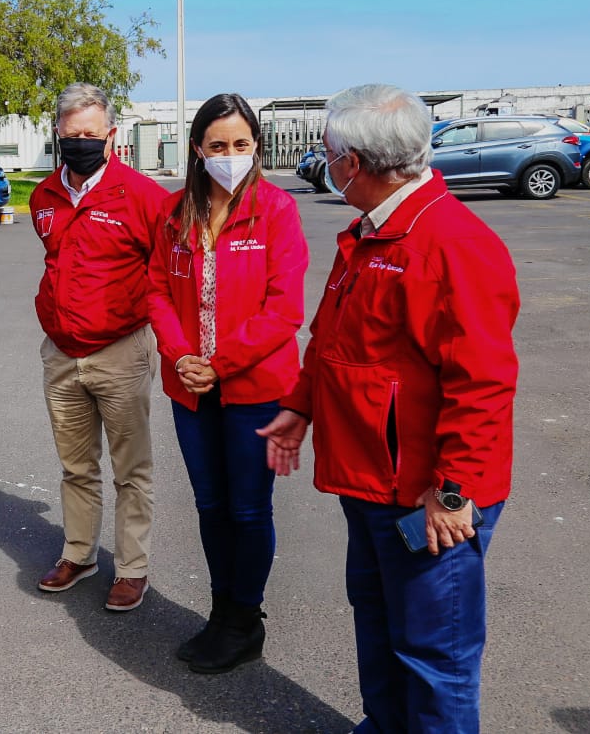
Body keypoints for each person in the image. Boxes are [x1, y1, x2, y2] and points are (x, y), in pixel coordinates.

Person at [259, 83, 520, 732]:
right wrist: (301, 405)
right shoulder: (372, 233)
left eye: (327, 150)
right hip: (372, 484)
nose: (322, 160)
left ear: (351, 163)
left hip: (428, 500)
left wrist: (452, 491)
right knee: (378, 625)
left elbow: (483, 383)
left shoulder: (452, 243)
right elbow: (332, 338)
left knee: (436, 656)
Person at [147, 94, 308, 673]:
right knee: (210, 505)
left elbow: (284, 309)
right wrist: (183, 355)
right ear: (197, 149)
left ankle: (244, 619)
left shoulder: (277, 211)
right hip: (191, 389)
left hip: (256, 388)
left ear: (257, 148)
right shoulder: (174, 213)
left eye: (241, 145)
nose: (230, 155)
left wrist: (222, 362)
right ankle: (221, 611)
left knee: (248, 509)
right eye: (218, 145)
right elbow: (158, 292)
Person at [30, 82, 169, 612]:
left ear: (111, 135)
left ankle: (132, 568)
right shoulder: (44, 196)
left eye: (92, 134)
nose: (81, 142)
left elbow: (166, 272)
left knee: (131, 469)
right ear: (59, 135)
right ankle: (79, 553)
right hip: (61, 353)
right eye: (72, 135)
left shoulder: (145, 197)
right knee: (76, 466)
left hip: (121, 351)